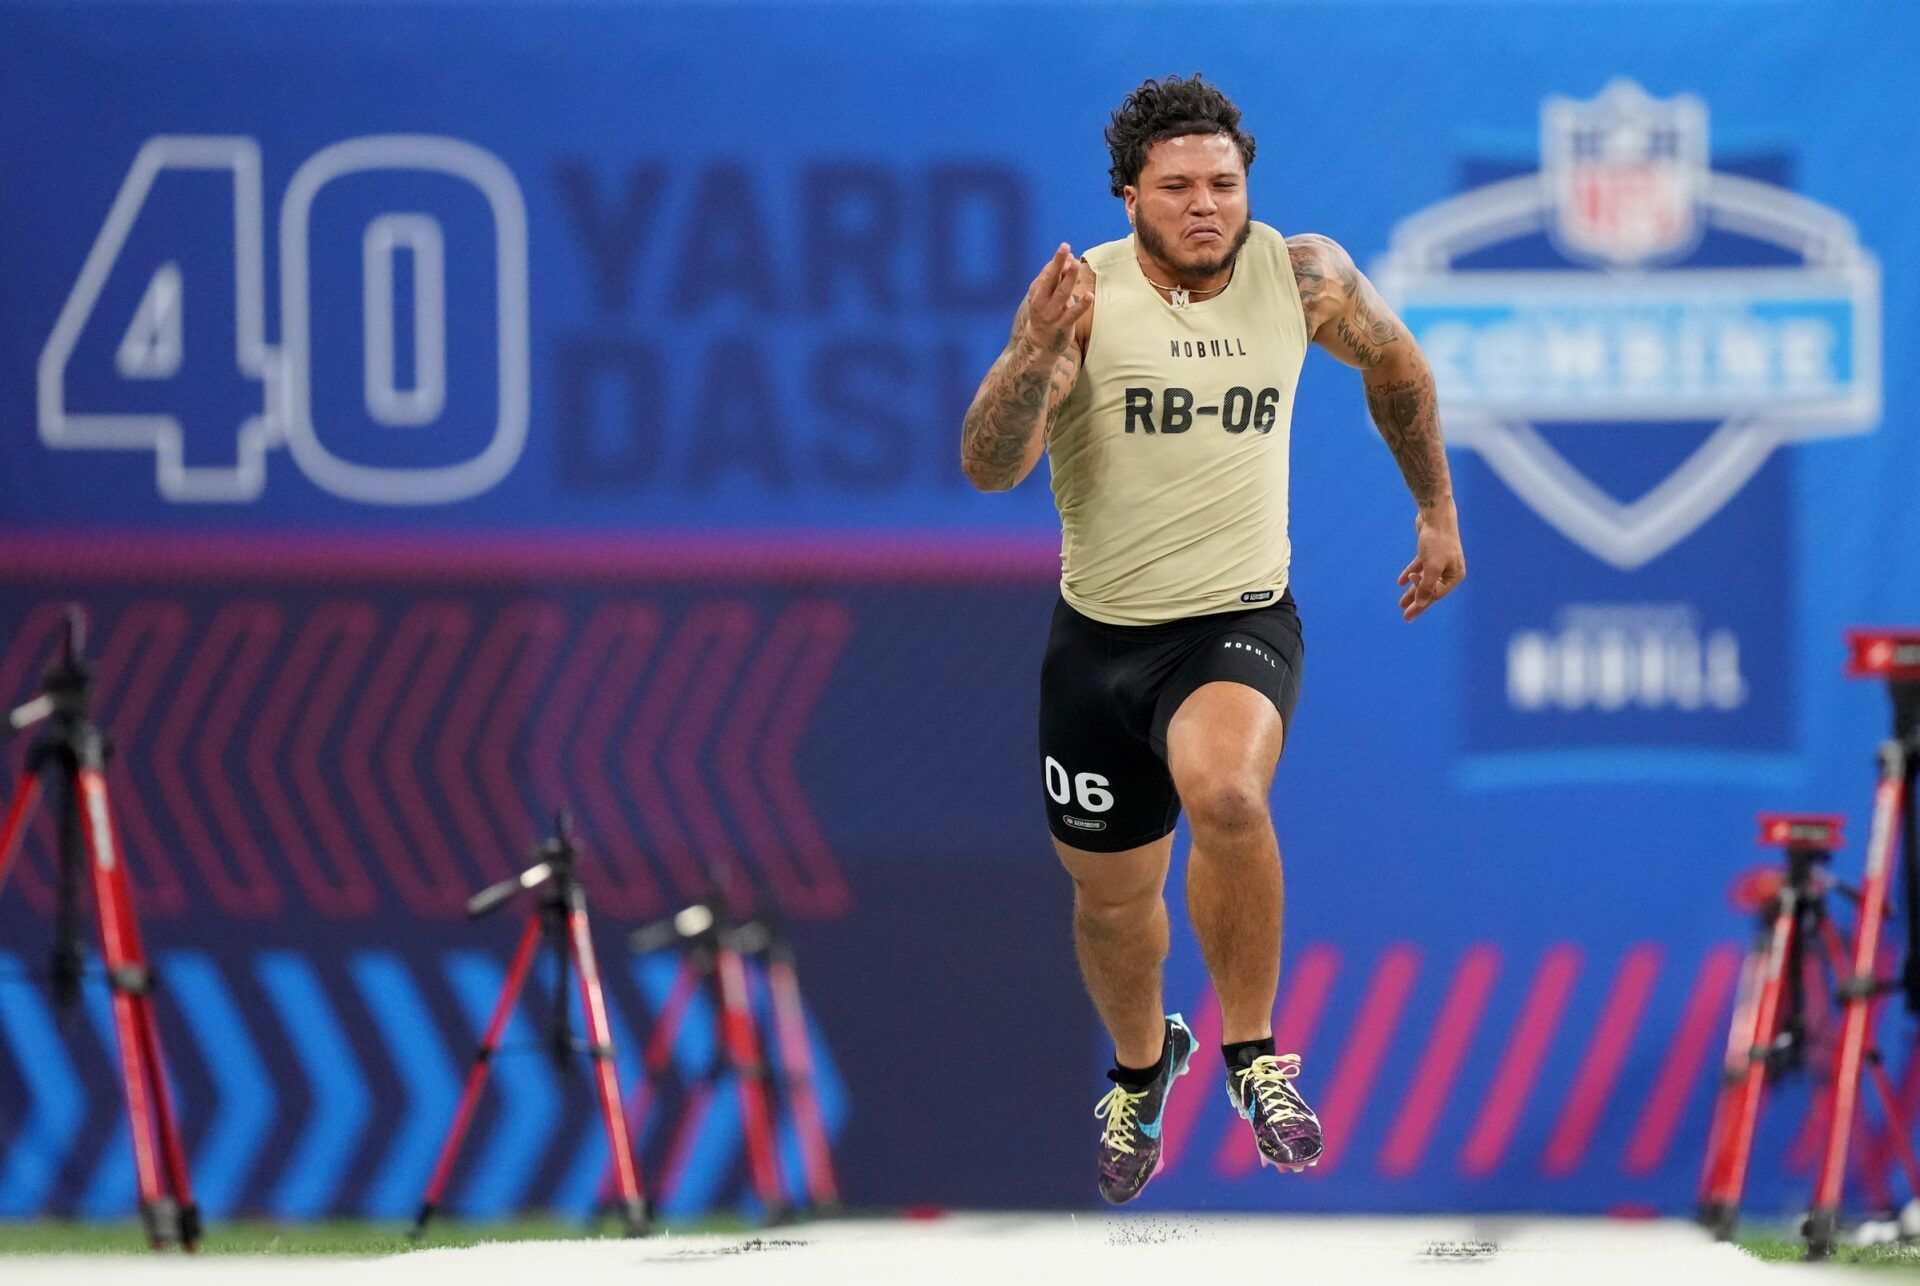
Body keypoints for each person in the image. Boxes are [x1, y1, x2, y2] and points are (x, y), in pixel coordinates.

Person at [959, 73, 1465, 1204]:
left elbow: (1398, 366)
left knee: (1228, 793)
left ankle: (1255, 1055)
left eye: (1224, 184)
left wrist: (1434, 509)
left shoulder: (1308, 276)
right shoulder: (1080, 299)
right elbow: (990, 465)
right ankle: (1144, 1067)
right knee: (1113, 901)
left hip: (1236, 618)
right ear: (1129, 192)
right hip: (1098, 642)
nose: (1205, 206)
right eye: (1177, 186)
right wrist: (1033, 356)